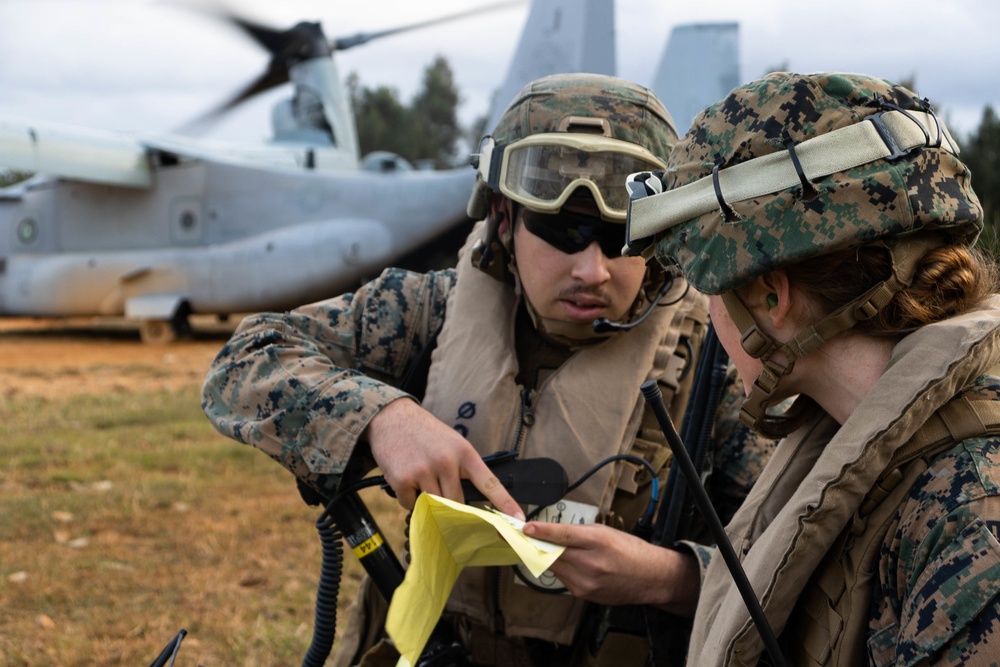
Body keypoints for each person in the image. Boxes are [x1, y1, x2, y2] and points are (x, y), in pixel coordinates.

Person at [202, 72, 774, 666]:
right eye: (564, 229)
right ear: (504, 219)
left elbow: (790, 569)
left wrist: (668, 578)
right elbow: (246, 360)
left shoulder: (718, 364)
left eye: (620, 236)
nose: (592, 269)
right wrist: (383, 418)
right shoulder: (427, 312)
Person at [535, 71, 1000, 666]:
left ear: (770, 299)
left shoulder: (970, 517)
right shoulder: (864, 445)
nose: (708, 314)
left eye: (708, 287)